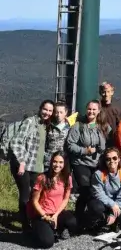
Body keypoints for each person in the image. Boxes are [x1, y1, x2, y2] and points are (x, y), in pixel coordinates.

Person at [10, 99, 54, 230]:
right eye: (45, 109)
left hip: (37, 167)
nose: (47, 112)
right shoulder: (30, 122)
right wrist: (22, 162)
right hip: (23, 165)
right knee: (25, 195)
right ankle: (24, 225)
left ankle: (34, 221)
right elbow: (16, 142)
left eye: (50, 111)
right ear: (40, 109)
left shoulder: (46, 125)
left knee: (35, 196)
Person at [65, 100, 110, 223]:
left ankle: (92, 216)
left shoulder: (103, 126)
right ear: (86, 109)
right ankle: (80, 218)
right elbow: (70, 145)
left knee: (96, 189)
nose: (91, 111)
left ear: (98, 111)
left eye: (94, 109)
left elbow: (110, 140)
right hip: (81, 163)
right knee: (85, 189)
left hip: (96, 163)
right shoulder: (78, 126)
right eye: (89, 109)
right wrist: (84, 150)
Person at [26, 151, 77, 248]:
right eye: (55, 162)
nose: (57, 165)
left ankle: (57, 229)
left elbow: (66, 199)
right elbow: (34, 201)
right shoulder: (42, 178)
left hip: (57, 212)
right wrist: (45, 216)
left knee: (72, 222)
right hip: (42, 214)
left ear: (65, 163)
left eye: (61, 162)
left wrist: (56, 215)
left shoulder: (67, 178)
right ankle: (37, 230)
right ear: (51, 162)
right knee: (47, 243)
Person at [87, 148, 121, 230]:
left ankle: (112, 222)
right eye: (108, 159)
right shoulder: (98, 174)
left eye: (114, 158)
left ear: (118, 159)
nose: (112, 161)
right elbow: (98, 193)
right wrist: (112, 205)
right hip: (102, 203)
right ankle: (98, 224)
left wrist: (113, 214)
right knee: (96, 208)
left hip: (116, 204)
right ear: (105, 161)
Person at [44, 102, 70, 171]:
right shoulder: (48, 126)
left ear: (66, 112)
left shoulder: (70, 128)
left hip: (63, 162)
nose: (58, 115)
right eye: (56, 112)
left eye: (61, 112)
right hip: (49, 162)